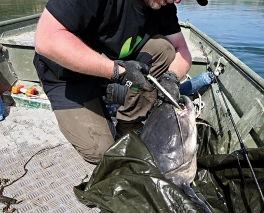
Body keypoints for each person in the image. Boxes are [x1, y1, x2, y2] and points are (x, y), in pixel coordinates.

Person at [33, 0, 192, 164]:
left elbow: (183, 50)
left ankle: (129, 123)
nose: (178, 0)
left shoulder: (164, 5)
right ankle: (104, 95)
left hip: (114, 64)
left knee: (164, 49)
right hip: (68, 76)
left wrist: (171, 77)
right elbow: (46, 39)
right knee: (102, 152)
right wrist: (117, 72)